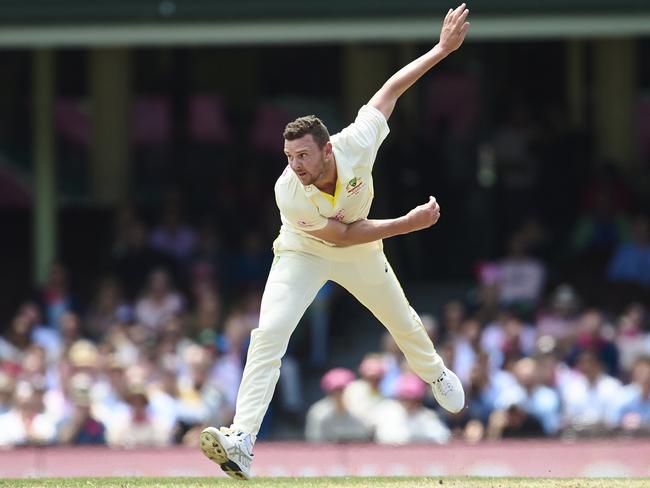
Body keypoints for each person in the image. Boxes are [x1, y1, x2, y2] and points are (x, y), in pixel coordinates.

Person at [200, 4, 470, 480]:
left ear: (327, 149)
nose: (295, 165)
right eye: (288, 156)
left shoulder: (355, 142)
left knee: (402, 320)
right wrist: (406, 224)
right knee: (268, 335)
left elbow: (389, 92)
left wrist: (441, 50)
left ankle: (435, 374)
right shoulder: (289, 191)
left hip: (361, 251)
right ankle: (241, 439)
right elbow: (341, 235)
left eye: (302, 155)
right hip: (304, 250)